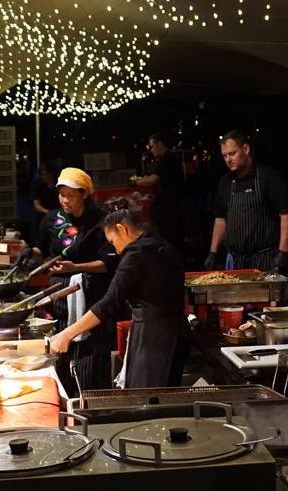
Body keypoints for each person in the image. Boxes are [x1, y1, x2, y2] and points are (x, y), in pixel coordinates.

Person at [49, 208, 189, 389]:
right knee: (169, 395)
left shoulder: (136, 254)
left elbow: (109, 303)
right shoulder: (164, 246)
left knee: (147, 399)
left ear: (122, 229)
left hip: (154, 339)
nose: (116, 250)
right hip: (177, 332)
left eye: (112, 242)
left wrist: (67, 334)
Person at [18, 168, 116, 394]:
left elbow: (108, 263)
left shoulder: (100, 220)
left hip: (91, 291)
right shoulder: (51, 219)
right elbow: (41, 250)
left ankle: (91, 398)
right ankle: (65, 395)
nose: (65, 200)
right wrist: (29, 253)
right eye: (61, 195)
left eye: (70, 195)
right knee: (61, 345)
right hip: (58, 292)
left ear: (84, 194)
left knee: (90, 349)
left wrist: (76, 267)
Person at [203, 130, 288, 275]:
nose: (228, 159)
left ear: (245, 149)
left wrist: (283, 253)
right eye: (225, 156)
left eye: (232, 154)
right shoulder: (225, 182)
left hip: (265, 260)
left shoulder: (268, 177)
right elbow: (220, 220)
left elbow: (287, 215)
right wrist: (213, 253)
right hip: (235, 261)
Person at [131, 132, 186, 249]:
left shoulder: (167, 158)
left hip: (171, 207)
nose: (151, 150)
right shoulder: (168, 158)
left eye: (152, 146)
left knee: (171, 238)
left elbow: (154, 179)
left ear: (159, 143)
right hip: (171, 205)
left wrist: (135, 182)